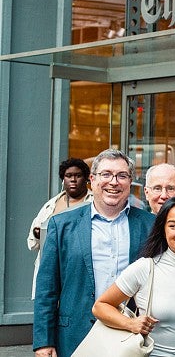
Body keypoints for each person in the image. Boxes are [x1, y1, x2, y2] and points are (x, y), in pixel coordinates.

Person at [33, 149, 156, 357]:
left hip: (129, 335)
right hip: (75, 335)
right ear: (92, 179)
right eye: (106, 174)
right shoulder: (61, 225)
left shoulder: (149, 224)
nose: (113, 182)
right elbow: (47, 289)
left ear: (130, 182)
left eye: (122, 176)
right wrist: (43, 342)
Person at [92, 196, 175, 356]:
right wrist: (130, 323)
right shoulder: (146, 268)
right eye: (173, 226)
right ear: (163, 231)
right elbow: (100, 306)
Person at [28, 158, 93, 298]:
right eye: (69, 176)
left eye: (78, 175)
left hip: (80, 269)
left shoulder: (94, 203)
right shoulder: (51, 205)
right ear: (63, 179)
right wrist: (38, 233)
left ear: (87, 178)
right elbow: (32, 243)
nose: (73, 180)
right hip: (52, 267)